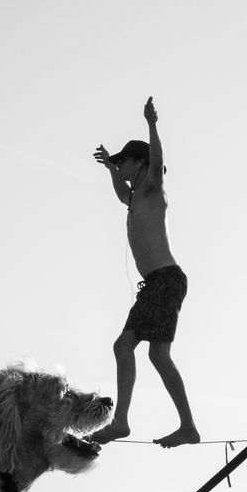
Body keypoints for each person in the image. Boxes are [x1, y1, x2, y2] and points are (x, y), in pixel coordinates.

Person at [90, 96, 200, 449]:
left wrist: (151, 124)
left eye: (123, 161)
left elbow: (158, 160)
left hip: (166, 280)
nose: (119, 166)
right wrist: (110, 169)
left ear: (140, 163)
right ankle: (140, 423)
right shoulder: (134, 197)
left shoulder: (153, 188)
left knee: (144, 351)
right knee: (136, 350)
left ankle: (174, 426)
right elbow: (121, 193)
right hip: (156, 284)